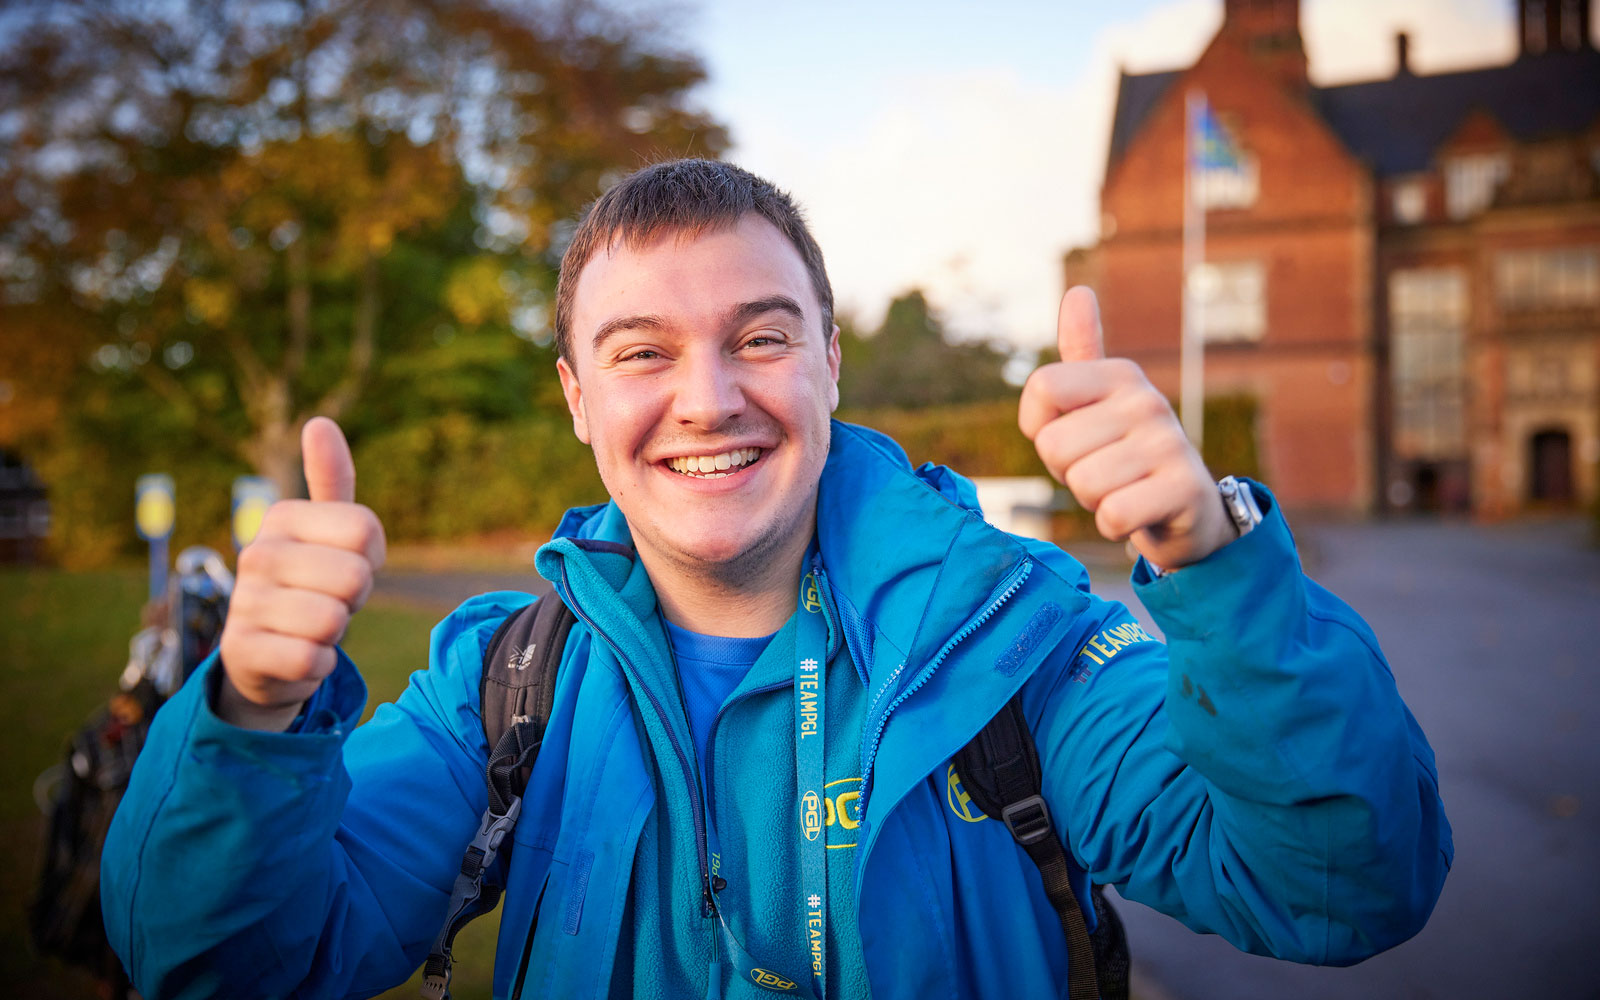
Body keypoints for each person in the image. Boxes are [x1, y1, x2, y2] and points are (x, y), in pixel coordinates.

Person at [102, 159, 1452, 999]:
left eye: (759, 335)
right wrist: (254, 720)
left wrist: (1216, 567)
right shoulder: (504, 688)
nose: (709, 400)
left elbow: (1343, 881)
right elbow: (220, 970)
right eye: (640, 352)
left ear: (828, 366)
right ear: (575, 398)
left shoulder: (1019, 652)